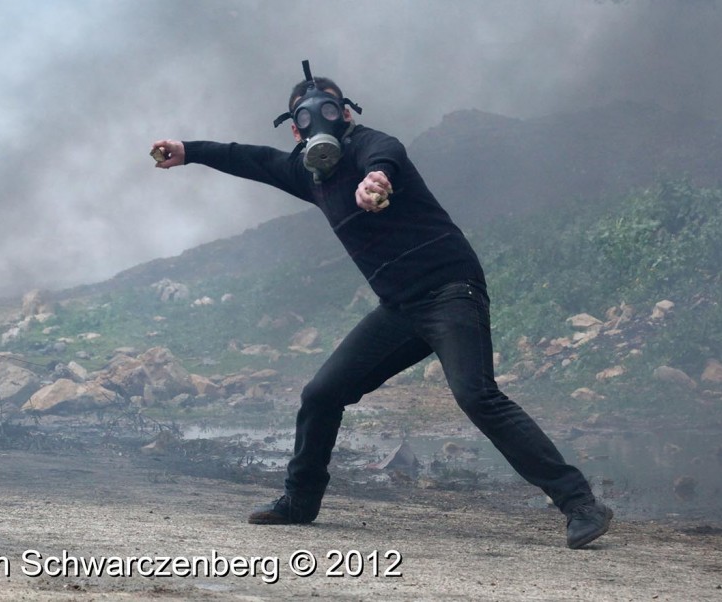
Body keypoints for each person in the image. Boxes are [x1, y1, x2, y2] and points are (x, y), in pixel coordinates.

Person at [150, 62, 613, 549]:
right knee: (321, 395)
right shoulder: (305, 173)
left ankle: (581, 504)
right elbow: (247, 156)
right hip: (400, 309)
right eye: (305, 115)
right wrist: (188, 152)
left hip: (451, 290)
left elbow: (385, 155)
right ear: (295, 129)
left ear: (346, 112)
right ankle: (300, 502)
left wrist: (376, 181)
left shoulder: (372, 145)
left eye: (329, 106)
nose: (319, 118)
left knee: (477, 395)